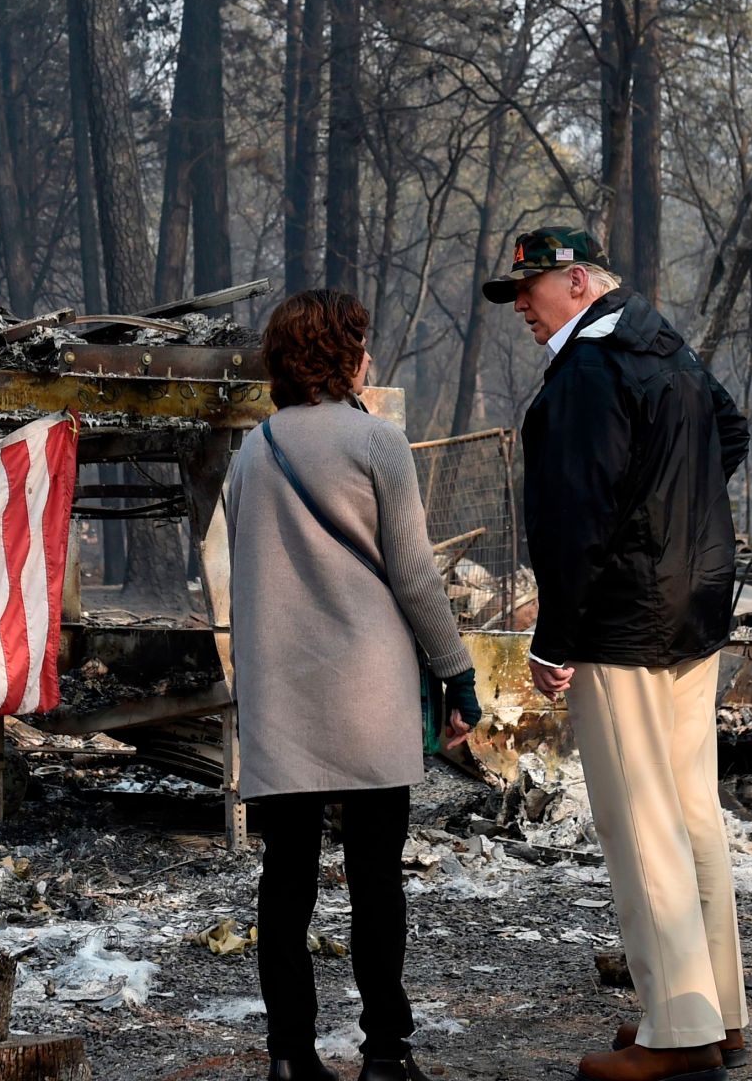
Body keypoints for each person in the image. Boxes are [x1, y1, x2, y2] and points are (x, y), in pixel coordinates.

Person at [483, 229, 751, 1081]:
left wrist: (555, 639)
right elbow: (728, 434)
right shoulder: (661, 343)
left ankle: (679, 1034)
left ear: (576, 281)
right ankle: (718, 1012)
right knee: (692, 813)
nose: (521, 306)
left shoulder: (588, 373)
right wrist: (679, 521)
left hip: (623, 621)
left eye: (528, 289)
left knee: (641, 824)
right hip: (694, 608)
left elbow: (574, 523)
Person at [226, 288, 482, 1081]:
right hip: (369, 692)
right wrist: (456, 671)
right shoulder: (379, 443)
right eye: (361, 344)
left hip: (280, 699)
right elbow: (412, 576)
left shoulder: (250, 455)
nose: (370, 356)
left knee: (286, 881)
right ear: (344, 356)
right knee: (376, 877)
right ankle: (383, 1053)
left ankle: (289, 1056)